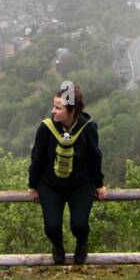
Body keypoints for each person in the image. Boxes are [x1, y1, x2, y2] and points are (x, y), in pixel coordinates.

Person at [28, 80, 107, 265]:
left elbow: (95, 156)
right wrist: (32, 185)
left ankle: (82, 243)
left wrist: (99, 184)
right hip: (50, 184)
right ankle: (57, 245)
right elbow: (37, 157)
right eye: (53, 106)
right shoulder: (46, 128)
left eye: (58, 108)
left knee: (79, 225)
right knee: (52, 226)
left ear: (72, 111)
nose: (53, 111)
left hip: (80, 184)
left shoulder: (88, 128)